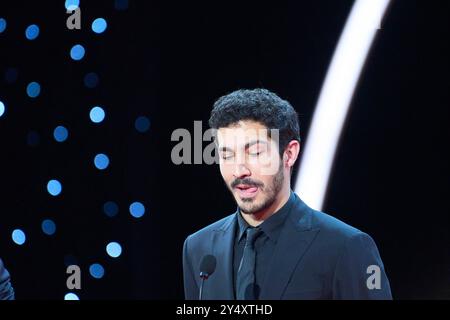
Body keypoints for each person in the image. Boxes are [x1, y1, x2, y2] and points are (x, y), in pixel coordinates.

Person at [182, 88, 392, 300]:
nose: (239, 171)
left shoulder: (346, 247)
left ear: (289, 154)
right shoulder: (199, 248)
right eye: (226, 155)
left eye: (255, 152)